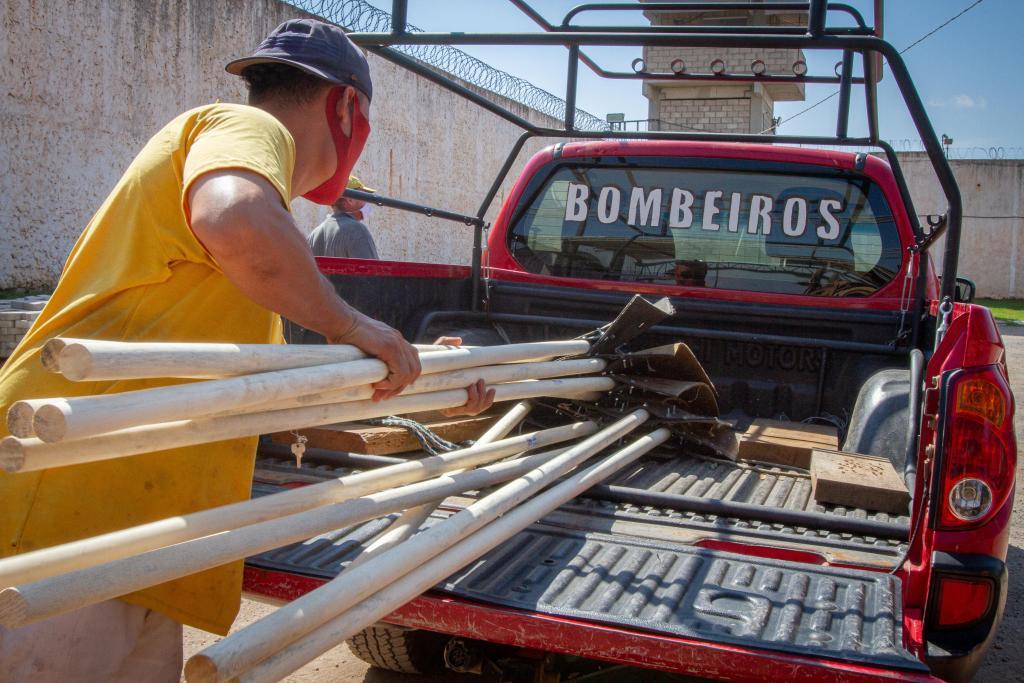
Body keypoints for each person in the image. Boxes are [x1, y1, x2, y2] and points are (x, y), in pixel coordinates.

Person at [0, 18, 491, 682]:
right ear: (346, 108)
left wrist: (433, 374)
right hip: (63, 509)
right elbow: (231, 215)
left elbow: (277, 396)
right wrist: (350, 324)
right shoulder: (246, 130)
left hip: (130, 534)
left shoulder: (257, 265)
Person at [308, 175, 381, 258]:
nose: (366, 202)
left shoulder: (314, 234)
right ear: (350, 199)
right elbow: (371, 269)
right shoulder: (357, 230)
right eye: (363, 196)